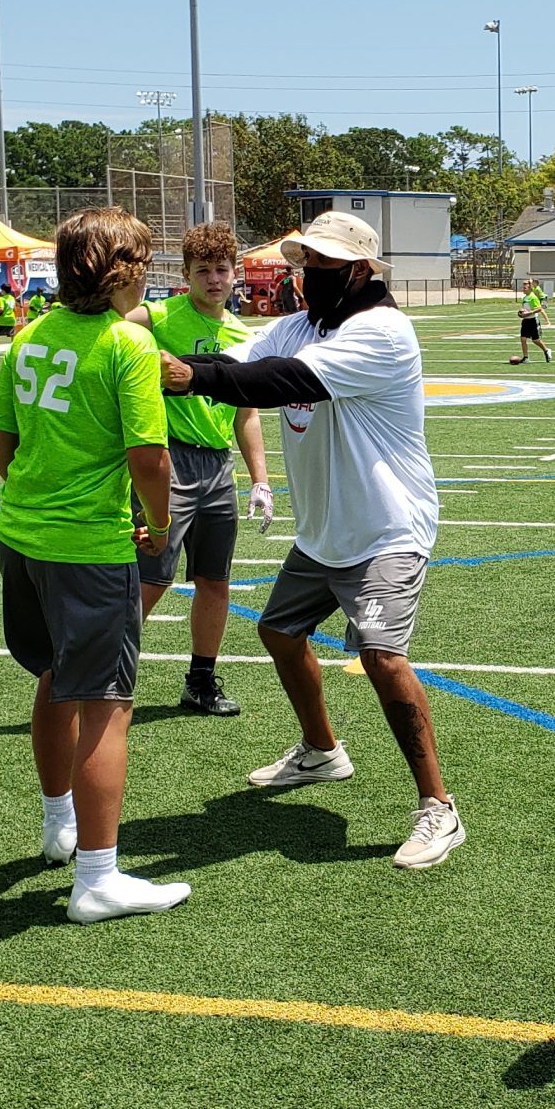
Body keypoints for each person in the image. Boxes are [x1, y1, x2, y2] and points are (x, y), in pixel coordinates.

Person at [158, 209, 463, 871]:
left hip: (386, 528)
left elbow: (281, 381)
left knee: (384, 658)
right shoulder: (298, 325)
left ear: (359, 271)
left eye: (319, 267)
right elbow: (242, 359)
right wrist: (173, 361)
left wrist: (191, 376)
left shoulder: (383, 331)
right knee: (278, 631)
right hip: (326, 530)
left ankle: (438, 806)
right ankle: (322, 751)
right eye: (302, 265)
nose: (306, 278)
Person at [0, 205, 186, 925]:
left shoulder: (30, 335)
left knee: (53, 679)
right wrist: (159, 526)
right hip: (88, 548)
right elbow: (149, 458)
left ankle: (56, 826)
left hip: (21, 537)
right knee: (105, 704)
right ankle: (97, 877)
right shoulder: (126, 344)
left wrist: (35, 494)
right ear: (124, 270)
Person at [131, 222, 274, 718]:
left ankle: (201, 680)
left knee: (214, 579)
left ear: (235, 273)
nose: (214, 279)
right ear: (186, 276)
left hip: (217, 467)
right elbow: (109, 327)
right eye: (202, 271)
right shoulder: (160, 314)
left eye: (221, 269)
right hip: (169, 457)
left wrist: (260, 478)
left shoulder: (241, 332)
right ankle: (102, 669)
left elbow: (247, 412)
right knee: (152, 577)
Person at [512, 278, 553, 365]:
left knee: (535, 340)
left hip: (533, 320)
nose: (523, 289)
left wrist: (529, 313)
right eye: (523, 288)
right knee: (523, 339)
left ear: (530, 289)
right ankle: (526, 357)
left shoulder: (533, 297)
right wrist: (521, 312)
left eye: (525, 288)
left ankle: (546, 350)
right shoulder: (524, 297)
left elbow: (539, 309)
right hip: (525, 321)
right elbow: (525, 309)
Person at [0, 284, 20, 356]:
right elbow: (14, 309)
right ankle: (13, 350)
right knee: (12, 335)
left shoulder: (1, 299)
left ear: (3, 291)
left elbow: (1, 309)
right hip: (12, 318)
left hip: (4, 319)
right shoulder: (12, 298)